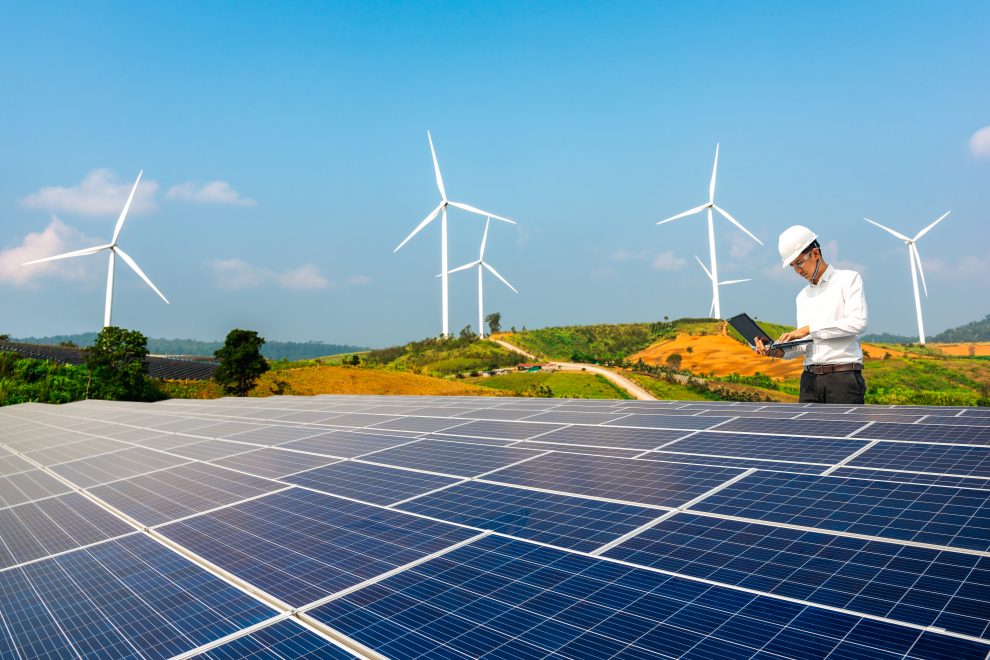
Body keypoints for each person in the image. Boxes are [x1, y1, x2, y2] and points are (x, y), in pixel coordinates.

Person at [755, 225, 868, 404]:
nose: (798, 270)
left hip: (842, 378)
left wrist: (809, 329)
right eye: (793, 266)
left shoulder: (849, 279)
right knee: (809, 431)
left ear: (816, 253)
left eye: (799, 263)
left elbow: (857, 323)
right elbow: (805, 345)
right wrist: (775, 351)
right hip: (809, 380)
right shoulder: (802, 296)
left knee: (847, 431)